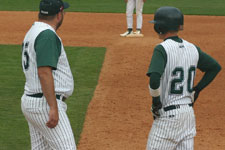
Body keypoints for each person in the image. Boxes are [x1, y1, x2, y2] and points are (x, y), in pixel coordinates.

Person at [146, 6, 221, 150]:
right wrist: (197, 90)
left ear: (160, 26)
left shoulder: (161, 49)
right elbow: (214, 67)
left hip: (168, 117)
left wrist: (156, 103)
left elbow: (154, 79)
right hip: (188, 115)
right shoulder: (192, 48)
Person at [21, 0, 77, 149]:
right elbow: (44, 72)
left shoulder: (33, 30)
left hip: (33, 101)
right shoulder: (47, 35)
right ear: (59, 15)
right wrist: (53, 107)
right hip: (43, 103)